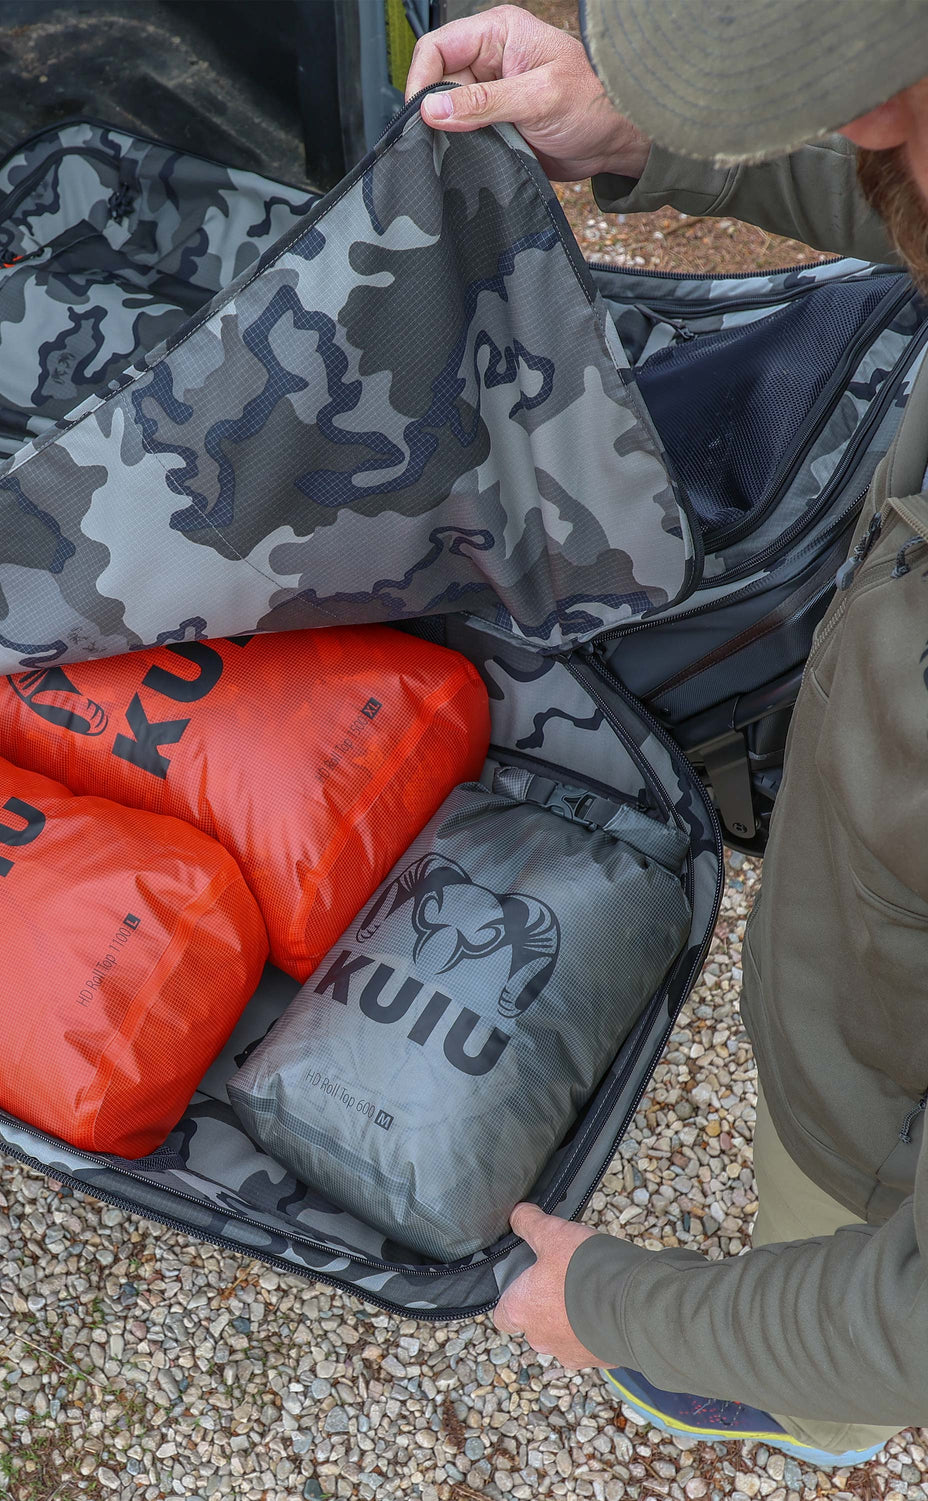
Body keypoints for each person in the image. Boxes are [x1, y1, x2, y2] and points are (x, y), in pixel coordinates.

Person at [407, 0, 928, 1471]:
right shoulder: (907, 144)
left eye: (888, 86)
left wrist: (621, 1309)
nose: (858, 122)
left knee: (836, 1243)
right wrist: (641, 132)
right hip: (873, 938)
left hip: (882, 1099)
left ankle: (816, 1421)